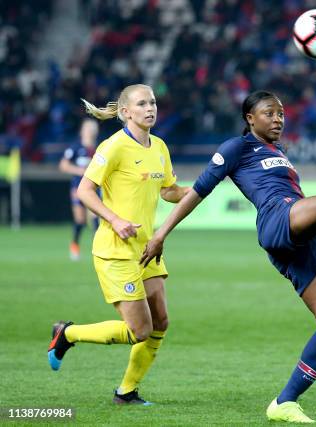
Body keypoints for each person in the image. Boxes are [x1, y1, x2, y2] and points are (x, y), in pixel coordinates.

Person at [140, 90, 316, 422]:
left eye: (281, 113)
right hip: (275, 221)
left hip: (300, 237)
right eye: (269, 113)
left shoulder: (279, 151)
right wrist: (160, 232)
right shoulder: (236, 148)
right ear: (250, 119)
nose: (278, 118)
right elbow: (198, 191)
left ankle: (284, 403)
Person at [47, 84, 191, 405]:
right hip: (115, 250)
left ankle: (126, 392)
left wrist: (200, 188)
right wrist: (115, 219)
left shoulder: (160, 147)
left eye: (152, 102)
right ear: (126, 112)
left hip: (147, 249)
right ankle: (67, 334)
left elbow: (168, 190)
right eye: (142, 103)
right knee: (139, 330)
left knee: (161, 322)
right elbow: (84, 191)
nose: (150, 108)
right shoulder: (112, 147)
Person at [58, 118, 100, 260]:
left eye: (92, 129)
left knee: (95, 217)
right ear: (82, 131)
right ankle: (75, 245)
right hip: (78, 187)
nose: (90, 132)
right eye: (88, 129)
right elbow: (63, 165)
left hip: (94, 188)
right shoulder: (75, 148)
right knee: (80, 220)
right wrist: (80, 171)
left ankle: (99, 248)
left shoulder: (100, 148)